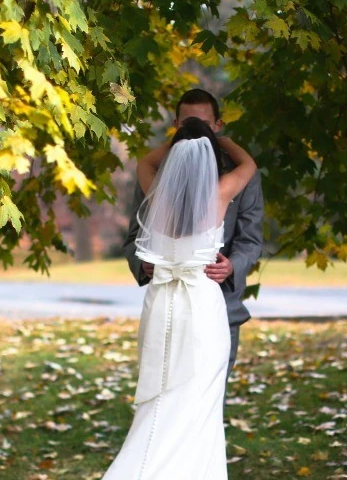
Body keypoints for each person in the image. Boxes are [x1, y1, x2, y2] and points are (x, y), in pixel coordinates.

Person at [102, 117, 257, 479]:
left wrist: (178, 142)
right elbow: (249, 164)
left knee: (161, 396)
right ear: (210, 154)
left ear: (173, 155)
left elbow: (143, 161)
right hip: (201, 305)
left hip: (161, 302)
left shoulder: (157, 192)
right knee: (200, 399)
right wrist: (221, 139)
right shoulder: (220, 194)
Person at [121, 89, 264, 380]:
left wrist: (233, 265)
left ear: (218, 123)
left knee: (201, 389)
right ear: (176, 124)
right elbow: (134, 236)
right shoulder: (223, 189)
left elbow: (251, 237)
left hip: (217, 303)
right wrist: (142, 263)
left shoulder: (155, 182)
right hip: (177, 300)